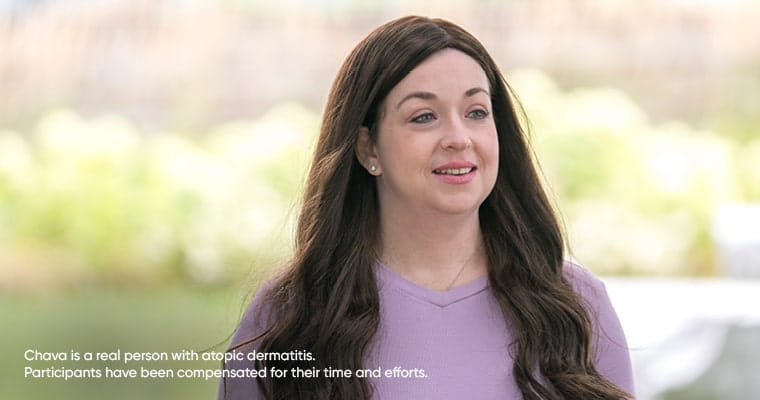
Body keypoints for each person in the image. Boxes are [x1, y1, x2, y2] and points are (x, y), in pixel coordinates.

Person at [218, 15, 634, 400]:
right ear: (368, 147)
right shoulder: (291, 317)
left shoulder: (576, 306)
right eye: (423, 117)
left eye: (475, 112)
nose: (458, 137)